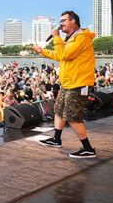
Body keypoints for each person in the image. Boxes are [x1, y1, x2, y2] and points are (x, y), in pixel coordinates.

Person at [33, 10, 96, 158]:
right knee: (59, 111)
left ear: (73, 21)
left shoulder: (81, 37)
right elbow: (61, 56)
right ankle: (56, 139)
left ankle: (88, 149)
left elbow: (64, 54)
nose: (60, 24)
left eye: (63, 21)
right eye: (60, 21)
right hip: (68, 83)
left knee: (73, 117)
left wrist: (56, 37)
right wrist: (43, 51)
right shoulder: (70, 38)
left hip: (79, 84)